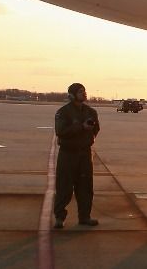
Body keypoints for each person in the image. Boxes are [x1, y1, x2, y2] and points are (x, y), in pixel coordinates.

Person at [53, 82, 101, 228]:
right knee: (64, 187)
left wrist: (88, 135)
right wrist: (81, 127)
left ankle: (84, 217)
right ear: (72, 95)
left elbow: (96, 129)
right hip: (68, 155)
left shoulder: (91, 112)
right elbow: (61, 132)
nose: (84, 94)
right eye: (80, 91)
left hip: (85, 154)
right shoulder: (63, 112)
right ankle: (60, 218)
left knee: (85, 187)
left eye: (85, 91)